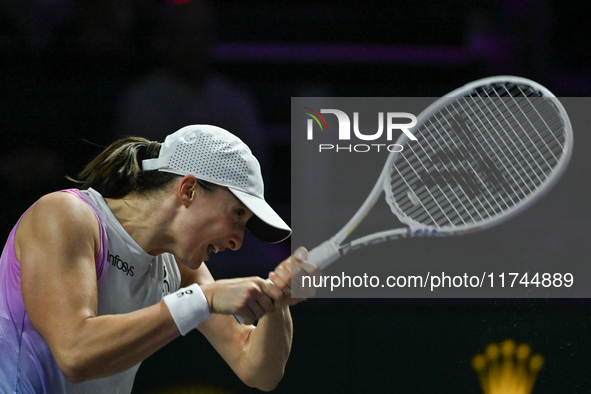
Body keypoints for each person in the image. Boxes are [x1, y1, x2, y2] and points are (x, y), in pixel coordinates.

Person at [0, 125, 317, 393]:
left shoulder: (178, 267)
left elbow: (257, 371)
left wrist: (278, 302)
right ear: (189, 190)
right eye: (236, 214)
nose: (237, 241)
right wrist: (202, 299)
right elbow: (75, 354)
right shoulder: (65, 216)